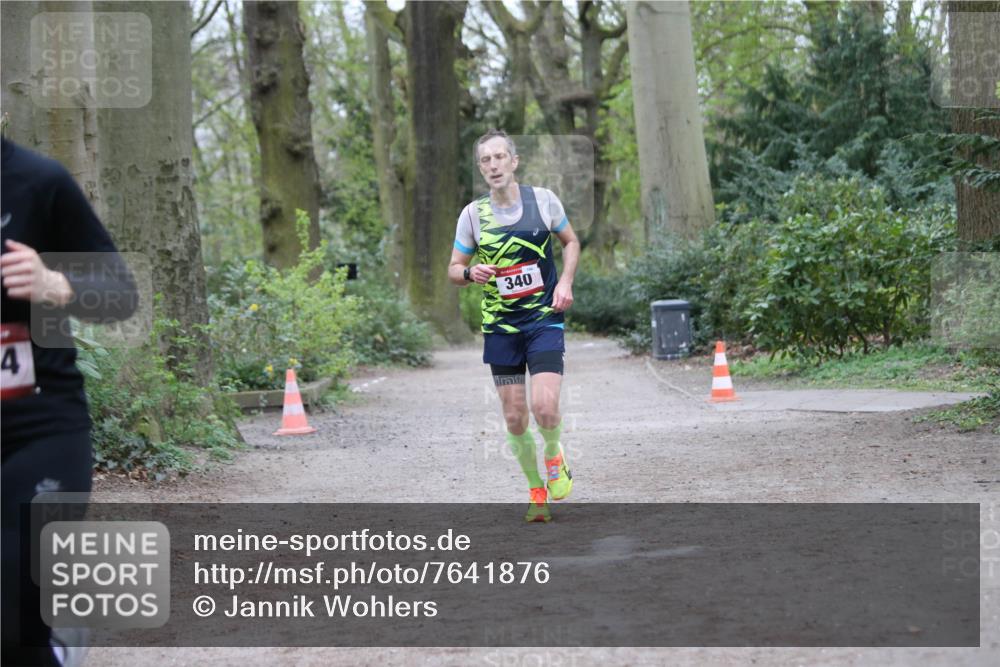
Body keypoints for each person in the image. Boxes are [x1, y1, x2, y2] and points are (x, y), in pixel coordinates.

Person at [1, 136, 138, 666]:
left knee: (10, 602)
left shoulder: (38, 181)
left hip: (40, 429)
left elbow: (120, 293)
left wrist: (55, 283)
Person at [448, 129, 580, 523]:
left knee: (544, 406)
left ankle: (554, 454)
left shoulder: (543, 201)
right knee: (515, 417)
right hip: (501, 328)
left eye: (500, 157)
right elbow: (453, 270)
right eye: (486, 160)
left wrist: (567, 283)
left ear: (514, 161)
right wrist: (471, 273)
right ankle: (536, 490)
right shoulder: (473, 215)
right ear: (481, 168)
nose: (493, 165)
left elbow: (571, 242)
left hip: (543, 320)